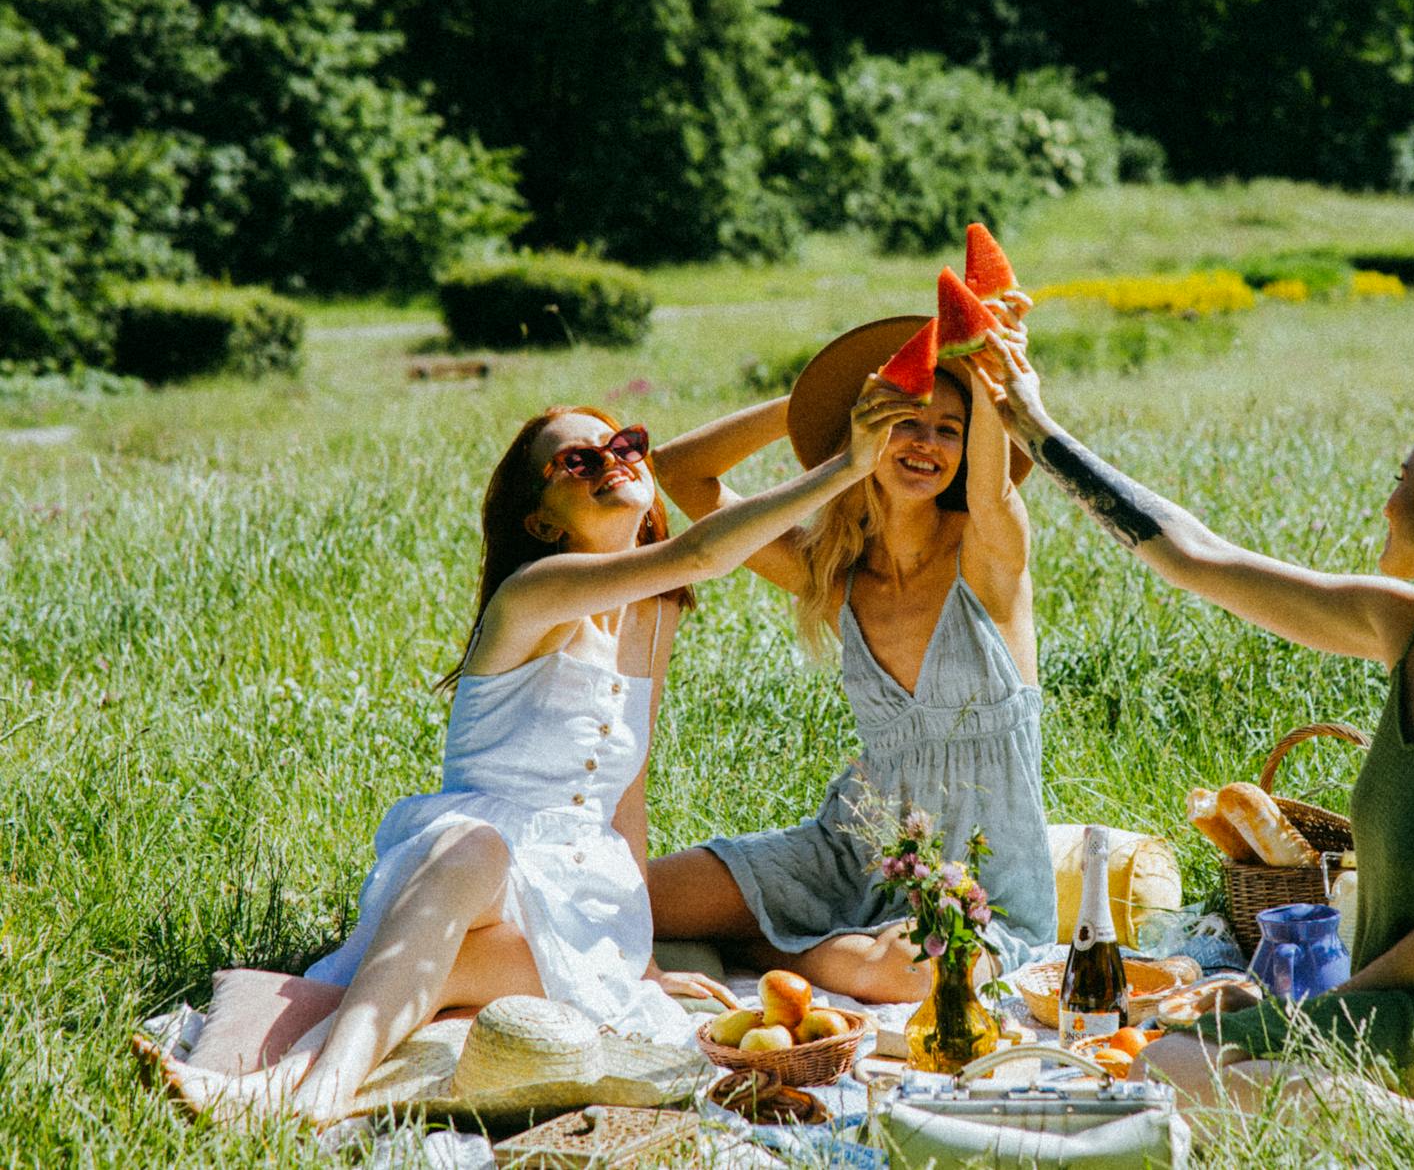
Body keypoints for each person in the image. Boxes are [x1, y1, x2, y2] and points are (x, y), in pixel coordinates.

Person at [163, 390, 915, 1124]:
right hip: (465, 873)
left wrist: (643, 955)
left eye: (624, 446)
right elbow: (704, 548)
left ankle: (273, 1090)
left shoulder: (653, 612)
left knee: (425, 983)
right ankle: (323, 1098)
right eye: (578, 461)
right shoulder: (535, 591)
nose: (610, 463)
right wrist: (846, 461)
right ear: (540, 520)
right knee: (474, 846)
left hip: (580, 902)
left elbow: (630, 789)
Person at [978, 327, 1414, 1164]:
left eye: (1403, 482)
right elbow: (1198, 557)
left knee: (1178, 1069)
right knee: (1183, 1057)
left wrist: (1308, 1013)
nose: (1385, 502)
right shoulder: (1405, 628)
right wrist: (1038, 431)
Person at [647, 314, 1054, 1003]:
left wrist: (990, 366)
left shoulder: (987, 553)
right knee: (638, 895)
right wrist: (816, 408)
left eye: (948, 428)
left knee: (922, 969)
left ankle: (766, 944)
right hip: (848, 849)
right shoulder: (835, 575)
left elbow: (994, 490)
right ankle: (816, 939)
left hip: (976, 880)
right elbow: (681, 473)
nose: (926, 443)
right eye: (905, 419)